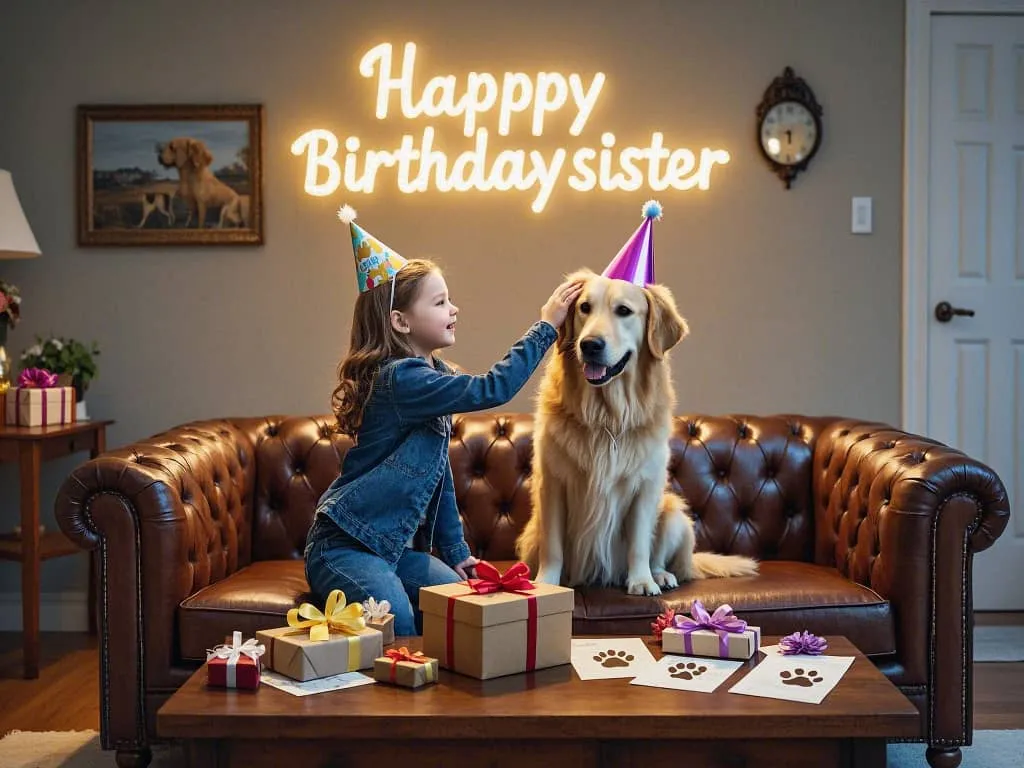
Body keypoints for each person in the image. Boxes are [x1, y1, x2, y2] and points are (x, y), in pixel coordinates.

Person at [304, 205, 583, 635]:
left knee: (461, 611)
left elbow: (437, 474)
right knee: (395, 620)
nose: (454, 308)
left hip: (393, 550)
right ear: (400, 322)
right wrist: (546, 326)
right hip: (345, 547)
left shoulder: (435, 378)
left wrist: (455, 551)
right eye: (439, 302)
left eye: (449, 299)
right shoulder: (401, 379)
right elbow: (493, 388)